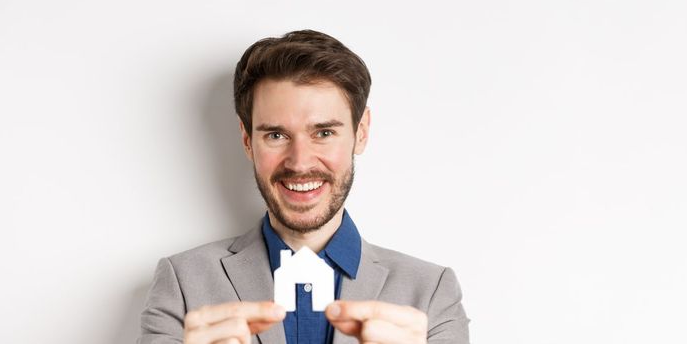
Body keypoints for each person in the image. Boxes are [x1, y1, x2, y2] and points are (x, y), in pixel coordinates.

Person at [139, 29, 470, 344]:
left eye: (324, 133)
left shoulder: (430, 293)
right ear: (247, 140)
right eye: (276, 135)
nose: (299, 162)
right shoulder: (182, 282)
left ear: (362, 132)